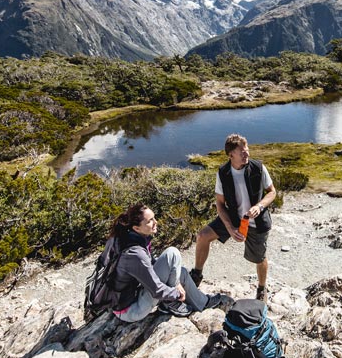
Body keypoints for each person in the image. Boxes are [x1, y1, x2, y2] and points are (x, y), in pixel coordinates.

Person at [190, 133, 277, 301]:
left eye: (247, 150)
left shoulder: (258, 168)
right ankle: (196, 274)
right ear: (231, 155)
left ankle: (261, 288)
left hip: (256, 222)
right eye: (242, 152)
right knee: (202, 236)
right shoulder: (223, 173)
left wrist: (260, 206)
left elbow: (272, 192)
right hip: (233, 217)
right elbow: (220, 204)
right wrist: (230, 228)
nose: (247, 154)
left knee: (259, 258)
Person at [110, 203, 230, 322]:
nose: (156, 222)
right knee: (172, 253)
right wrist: (176, 293)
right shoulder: (135, 253)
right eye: (150, 221)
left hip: (136, 294)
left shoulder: (132, 238)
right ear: (136, 228)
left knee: (181, 272)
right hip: (131, 309)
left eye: (154, 218)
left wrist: (174, 280)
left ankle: (203, 302)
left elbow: (149, 268)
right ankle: (170, 303)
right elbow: (156, 289)